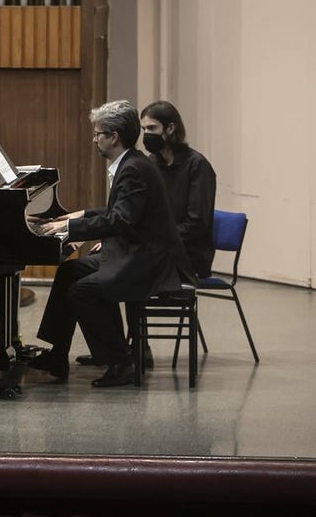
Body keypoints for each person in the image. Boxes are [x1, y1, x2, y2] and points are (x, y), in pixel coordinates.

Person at [27, 100, 189, 387]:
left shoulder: (133, 169)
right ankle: (58, 355)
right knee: (69, 272)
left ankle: (120, 361)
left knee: (82, 291)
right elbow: (122, 212)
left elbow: (120, 220)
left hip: (148, 262)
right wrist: (81, 215)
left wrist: (70, 228)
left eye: (97, 134)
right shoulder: (131, 163)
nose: (94, 140)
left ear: (113, 137)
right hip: (134, 253)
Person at [140, 100, 217, 279]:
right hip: (160, 247)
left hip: (189, 253)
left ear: (170, 128)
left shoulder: (197, 165)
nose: (146, 134)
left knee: (126, 269)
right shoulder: (152, 162)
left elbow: (196, 223)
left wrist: (156, 240)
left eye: (152, 128)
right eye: (144, 129)